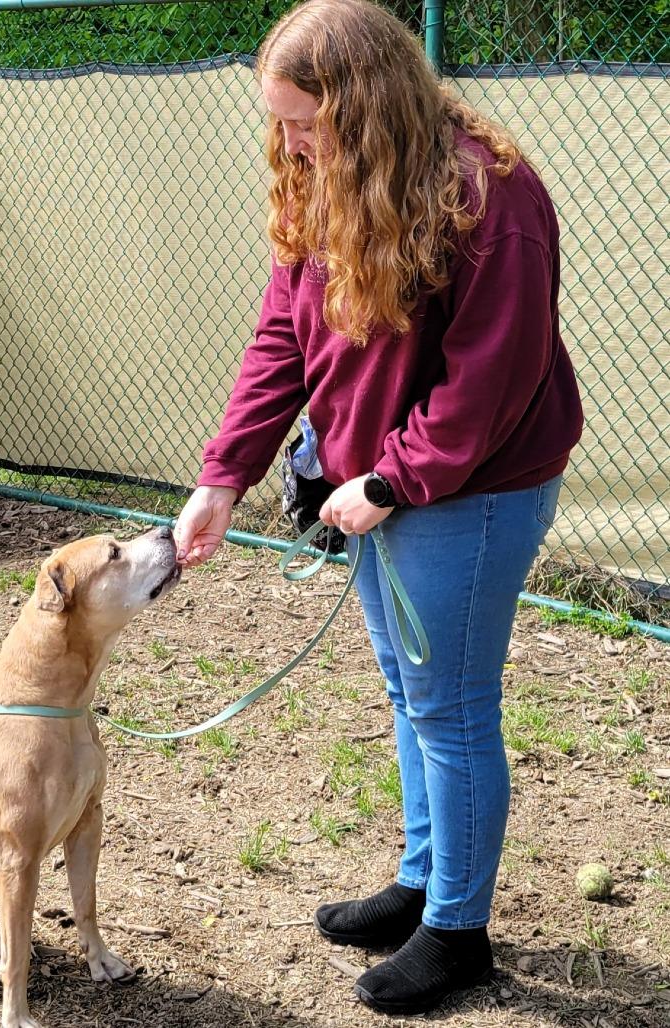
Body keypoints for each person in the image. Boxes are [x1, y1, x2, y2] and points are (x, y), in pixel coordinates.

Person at [172, 0, 584, 1016]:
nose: (287, 143)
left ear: (362, 105)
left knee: (448, 707)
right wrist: (221, 475)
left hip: (468, 490)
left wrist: (388, 479)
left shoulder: (489, 194)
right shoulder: (326, 175)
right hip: (375, 486)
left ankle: (456, 931)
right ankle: (419, 879)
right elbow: (283, 336)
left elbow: (489, 380)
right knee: (411, 695)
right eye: (277, 122)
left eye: (302, 122)